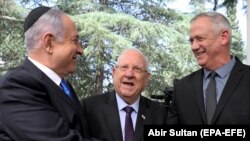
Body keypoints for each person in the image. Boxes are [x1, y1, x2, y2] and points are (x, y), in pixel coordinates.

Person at [0, 6, 100, 141]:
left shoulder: (63, 86)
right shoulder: (15, 87)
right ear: (49, 43)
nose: (80, 50)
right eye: (75, 41)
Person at [167, 11, 250, 125]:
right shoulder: (182, 88)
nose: (194, 46)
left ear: (224, 37)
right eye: (191, 41)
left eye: (200, 39)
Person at [82, 48, 167, 141]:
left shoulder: (160, 114)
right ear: (114, 73)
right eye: (124, 67)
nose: (129, 74)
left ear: (147, 78)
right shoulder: (89, 108)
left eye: (137, 69)